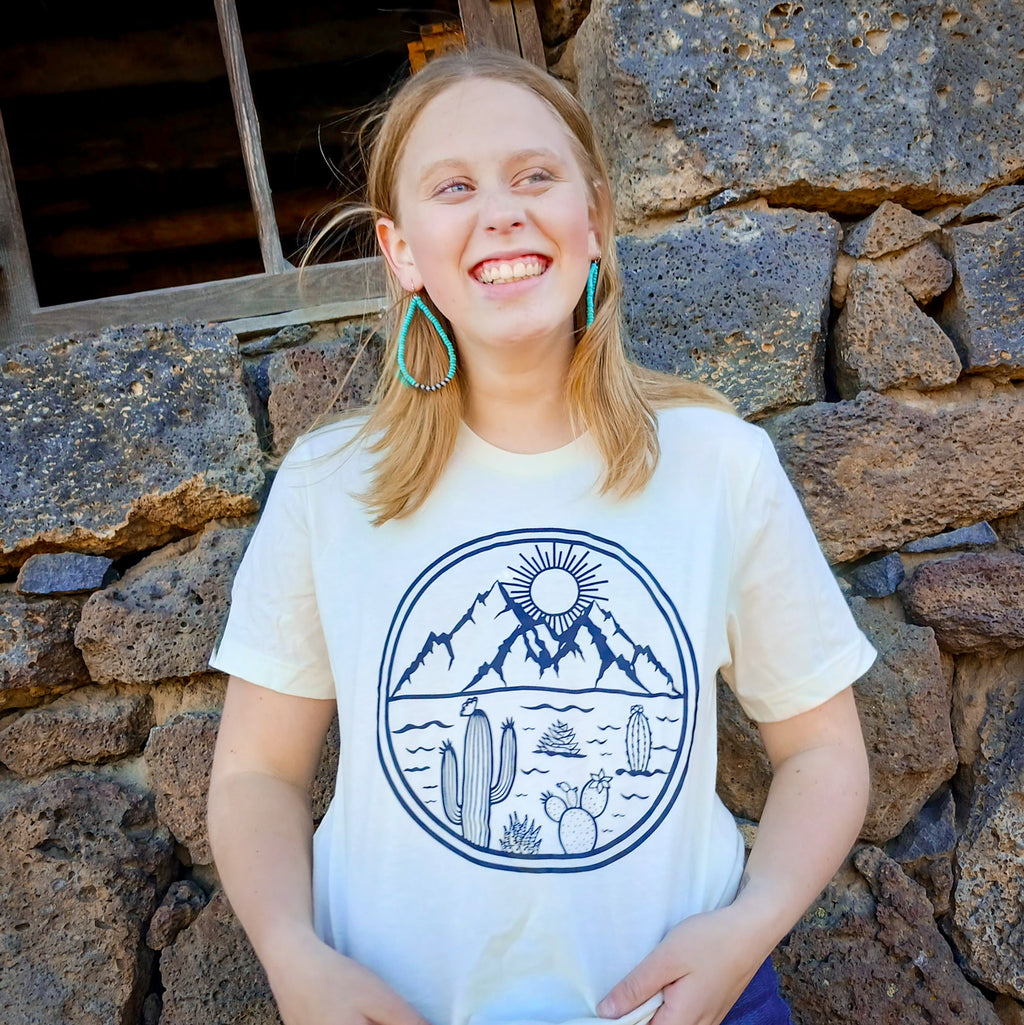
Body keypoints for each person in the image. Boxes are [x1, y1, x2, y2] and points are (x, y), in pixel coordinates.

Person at [207, 47, 876, 1025]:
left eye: (535, 175)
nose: (502, 211)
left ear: (594, 218)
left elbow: (824, 750)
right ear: (400, 251)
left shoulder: (715, 463)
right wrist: (290, 953)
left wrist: (751, 925)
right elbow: (256, 771)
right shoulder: (330, 483)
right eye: (454, 187)